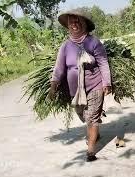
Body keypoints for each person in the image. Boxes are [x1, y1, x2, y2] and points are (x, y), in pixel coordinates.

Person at [48, 8, 112, 162]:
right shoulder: (65, 46)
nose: (74, 24)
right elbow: (59, 68)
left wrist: (106, 82)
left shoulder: (93, 42)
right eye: (71, 21)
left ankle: (90, 150)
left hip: (95, 86)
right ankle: (94, 129)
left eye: (78, 20)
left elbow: (103, 63)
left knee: (91, 118)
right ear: (68, 25)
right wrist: (53, 86)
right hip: (75, 91)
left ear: (84, 24)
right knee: (83, 115)